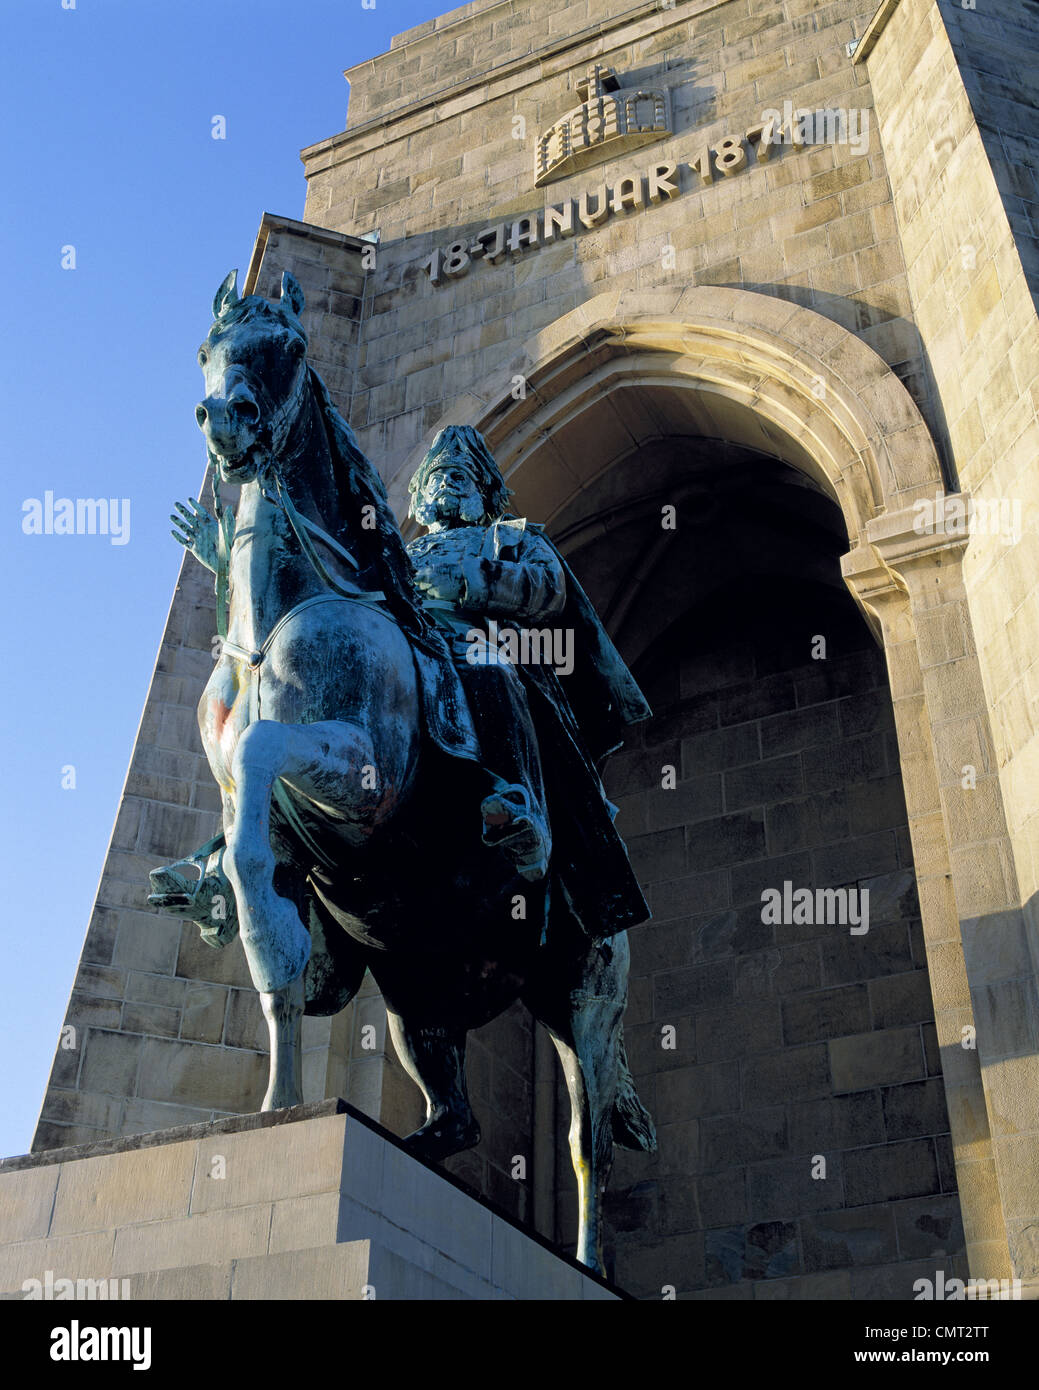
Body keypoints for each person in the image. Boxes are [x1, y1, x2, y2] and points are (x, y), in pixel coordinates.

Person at [406, 425, 652, 941]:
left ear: (481, 494)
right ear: (421, 496)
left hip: (486, 647)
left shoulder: (510, 537)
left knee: (487, 669)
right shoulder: (398, 555)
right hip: (408, 657)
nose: (446, 485)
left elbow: (547, 589)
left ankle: (520, 806)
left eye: (459, 476)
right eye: (437, 478)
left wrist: (471, 582)